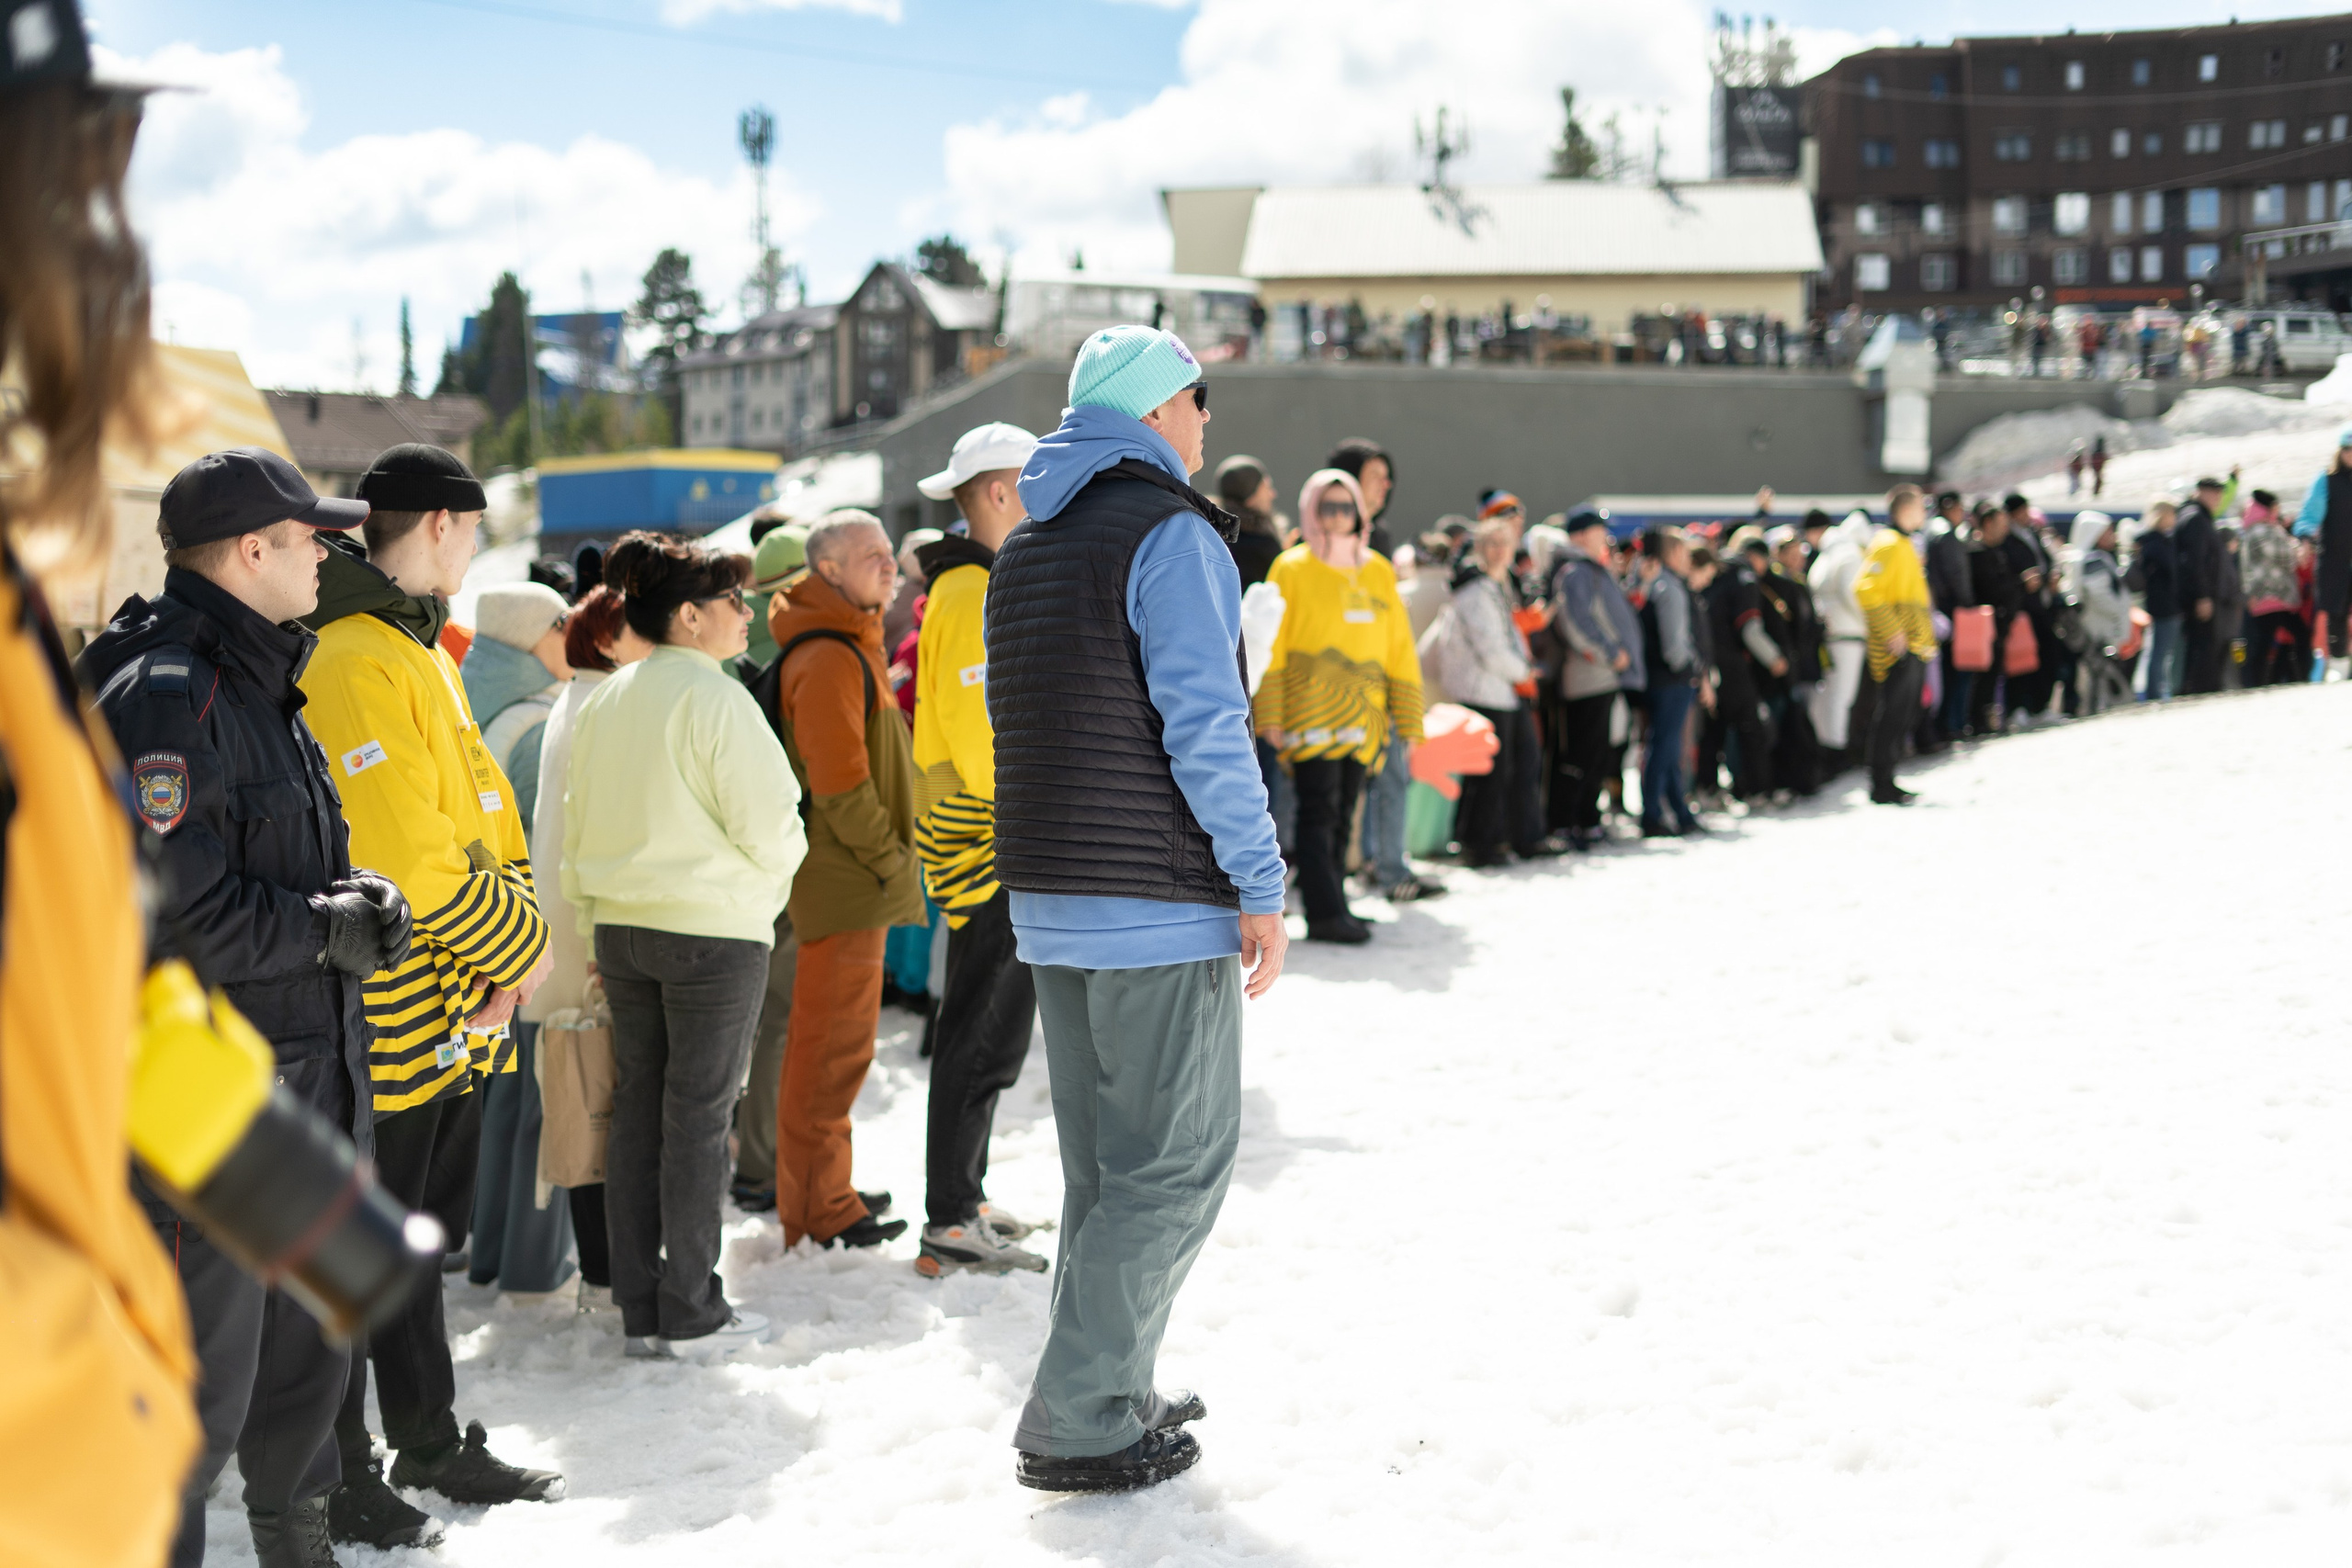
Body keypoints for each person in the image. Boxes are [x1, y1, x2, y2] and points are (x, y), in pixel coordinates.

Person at [80, 448, 407, 1568]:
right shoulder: (171, 694)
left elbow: (285, 858)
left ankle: (298, 1541)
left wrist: (360, 898)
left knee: (306, 1357)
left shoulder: (261, 678)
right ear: (250, 550)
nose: (328, 554)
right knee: (193, 1396)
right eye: (311, 536)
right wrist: (327, 929)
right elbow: (181, 911)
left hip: (298, 1082)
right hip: (205, 1102)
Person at [984, 323, 1287, 1492]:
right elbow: (1207, 728)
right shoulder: (1170, 532)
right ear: (1157, 407)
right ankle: (1081, 1415)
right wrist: (1258, 882)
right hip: (1153, 895)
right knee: (1172, 1168)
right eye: (1198, 398)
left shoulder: (1030, 541)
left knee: (1106, 1173)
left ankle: (1112, 1377)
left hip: (1056, 894)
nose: (1208, 421)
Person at [299, 444, 563, 1544]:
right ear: (444, 525)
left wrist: (504, 963)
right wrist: (517, 957)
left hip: (446, 994)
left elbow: (476, 818)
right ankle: (348, 1465)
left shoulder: (411, 645)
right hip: (403, 999)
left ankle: (428, 1438)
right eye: (473, 525)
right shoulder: (360, 654)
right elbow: (410, 858)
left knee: (410, 1242)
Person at [563, 533, 804, 1359]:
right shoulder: (718, 698)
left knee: (641, 1113)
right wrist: (760, 899)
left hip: (624, 927)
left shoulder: (607, 697)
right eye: (735, 601)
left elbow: (575, 822)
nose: (747, 614)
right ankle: (693, 1306)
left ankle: (642, 1305)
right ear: (691, 616)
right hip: (709, 928)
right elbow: (774, 827)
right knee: (698, 1118)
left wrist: (599, 912)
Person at [909, 423, 1051, 1276]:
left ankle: (963, 1194)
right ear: (999, 493)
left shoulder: (979, 584)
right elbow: (976, 738)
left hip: (993, 838)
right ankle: (951, 1213)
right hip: (986, 843)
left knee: (991, 1030)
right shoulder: (970, 595)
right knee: (979, 1026)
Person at [766, 511, 924, 1247]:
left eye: (891, 553)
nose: (889, 565)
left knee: (837, 1049)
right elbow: (841, 789)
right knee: (831, 1051)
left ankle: (824, 1190)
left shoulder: (848, 641)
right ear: (826, 569)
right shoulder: (829, 655)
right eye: (871, 555)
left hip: (852, 877)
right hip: (846, 879)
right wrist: (894, 860)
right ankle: (819, 1209)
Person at [523, 584, 653, 1310]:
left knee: (580, 1096)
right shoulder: (605, 706)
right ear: (608, 640)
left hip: (566, 939)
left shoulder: (575, 700)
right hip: (590, 940)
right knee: (599, 1102)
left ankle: (600, 1277)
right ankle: (605, 1279)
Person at [455, 582, 576, 1298]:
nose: (572, 633)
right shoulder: (533, 723)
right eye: (560, 622)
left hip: (473, 934)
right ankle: (530, 1265)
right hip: (524, 937)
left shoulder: (470, 700)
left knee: (500, 1103)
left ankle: (489, 1250)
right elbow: (540, 841)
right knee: (536, 1102)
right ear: (531, 638)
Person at [1258, 468, 1427, 940]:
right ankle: (1325, 910)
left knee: (1345, 812)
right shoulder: (1290, 567)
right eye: (1326, 507)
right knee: (1318, 812)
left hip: (1367, 718)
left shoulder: (1377, 568)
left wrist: (1408, 716)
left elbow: (1399, 646)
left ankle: (1335, 901)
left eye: (1345, 507)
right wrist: (1269, 712)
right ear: (1311, 511)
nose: (1336, 518)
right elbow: (1273, 643)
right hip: (1309, 715)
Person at [726, 524, 812, 1214]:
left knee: (756, 1021)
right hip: (780, 865)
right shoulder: (787, 653)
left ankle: (753, 1149)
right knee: (780, 1018)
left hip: (738, 871)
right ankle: (761, 1161)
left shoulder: (731, 654)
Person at [1328, 438, 1433, 901]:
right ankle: (1339, 877)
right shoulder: (1317, 542)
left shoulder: (1382, 538)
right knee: (1331, 793)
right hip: (1332, 688)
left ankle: (1387, 867)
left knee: (1390, 775)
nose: (1386, 486)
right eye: (1376, 476)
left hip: (1381, 681)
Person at [1442, 519, 1538, 865]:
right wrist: (1525, 671)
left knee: (1506, 768)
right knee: (1488, 773)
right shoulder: (1476, 589)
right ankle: (1481, 843)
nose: (1499, 550)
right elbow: (1491, 647)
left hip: (1500, 690)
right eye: (1491, 542)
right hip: (1484, 691)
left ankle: (1494, 838)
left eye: (1505, 542)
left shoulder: (1496, 585)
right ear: (1479, 548)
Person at [1552, 509, 1645, 843]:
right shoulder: (1576, 572)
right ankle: (1570, 820)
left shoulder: (1591, 570)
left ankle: (1587, 817)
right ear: (1578, 535)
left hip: (1602, 677)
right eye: (1596, 530)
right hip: (1588, 677)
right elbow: (1577, 623)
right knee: (1583, 752)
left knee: (1598, 752)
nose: (1603, 536)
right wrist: (1610, 652)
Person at [1853, 485, 1937, 806]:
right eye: (1920, 507)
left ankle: (1887, 780)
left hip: (1912, 644)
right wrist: (1892, 632)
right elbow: (1865, 588)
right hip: (1899, 647)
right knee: (1891, 715)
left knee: (1901, 715)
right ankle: (1881, 783)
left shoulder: (1900, 543)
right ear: (1905, 509)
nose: (1924, 512)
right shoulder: (1888, 543)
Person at [1702, 525, 1783, 802]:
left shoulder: (1719, 570)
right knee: (1751, 728)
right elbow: (1750, 628)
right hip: (1732, 662)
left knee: (1714, 730)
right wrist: (1774, 658)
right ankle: (1757, 790)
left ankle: (1708, 789)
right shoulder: (1744, 575)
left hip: (1709, 660)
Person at [1635, 528, 1706, 837]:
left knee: (1667, 747)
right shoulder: (1669, 588)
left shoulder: (1656, 585)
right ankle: (1652, 814)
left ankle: (1679, 813)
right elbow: (1675, 647)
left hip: (1660, 679)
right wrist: (1692, 668)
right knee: (1664, 748)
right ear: (1674, 552)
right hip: (1671, 681)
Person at [1756, 525, 1824, 795]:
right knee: (1787, 724)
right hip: (1785, 668)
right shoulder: (1779, 584)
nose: (1799, 558)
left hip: (1797, 665)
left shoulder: (1796, 582)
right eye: (1792, 552)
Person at [1808, 510, 1874, 761]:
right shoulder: (1850, 555)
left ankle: (1828, 746)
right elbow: (1854, 595)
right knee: (1843, 697)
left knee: (1830, 696)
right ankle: (1837, 751)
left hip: (1830, 634)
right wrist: (1870, 626)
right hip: (1848, 636)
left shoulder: (1826, 556)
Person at [2294, 429, 2352, 672]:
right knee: (2336, 612)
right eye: (2348, 450)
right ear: (2340, 452)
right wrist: (2305, 540)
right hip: (2335, 559)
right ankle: (2339, 666)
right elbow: (2310, 514)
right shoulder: (2326, 480)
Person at [1966, 506, 2026, 735]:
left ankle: (1987, 717)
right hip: (1984, 625)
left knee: (1994, 675)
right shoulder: (1976, 552)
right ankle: (1978, 720)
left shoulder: (1998, 551)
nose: (2005, 530)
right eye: (2001, 525)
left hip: (2001, 623)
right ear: (1988, 524)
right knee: (1982, 675)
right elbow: (1990, 589)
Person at [2065, 511, 2133, 713]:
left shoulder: (2087, 558)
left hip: (2096, 624)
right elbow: (2098, 593)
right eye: (2107, 532)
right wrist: (2119, 609)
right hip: (2097, 625)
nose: (2112, 536)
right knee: (2096, 672)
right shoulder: (2092, 559)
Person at [1924, 491, 1976, 742]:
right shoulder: (1946, 534)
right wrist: (1968, 604)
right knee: (1958, 671)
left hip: (1940, 610)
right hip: (1952, 611)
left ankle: (1945, 725)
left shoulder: (1930, 531)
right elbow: (1957, 576)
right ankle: (1953, 724)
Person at [2176, 474, 2234, 695]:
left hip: (2203, 595)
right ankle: (2199, 691)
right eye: (2214, 493)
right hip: (2200, 597)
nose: (2218, 498)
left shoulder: (2198, 517)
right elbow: (2195, 562)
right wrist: (2202, 596)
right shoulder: (2195, 519)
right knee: (2203, 647)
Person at [2242, 490, 2308, 687]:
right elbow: (2285, 558)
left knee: (2266, 642)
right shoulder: (2264, 530)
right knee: (2292, 637)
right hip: (2272, 595)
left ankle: (2258, 683)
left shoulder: (2256, 529)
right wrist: (2297, 550)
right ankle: (2259, 683)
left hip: (2267, 596)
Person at [2129, 502, 2185, 700]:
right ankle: (2156, 692)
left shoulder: (2155, 541)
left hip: (2162, 603)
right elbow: (2169, 573)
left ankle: (2158, 690)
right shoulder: (2155, 543)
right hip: (2163, 604)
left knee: (2161, 651)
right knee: (2160, 651)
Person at [1212, 453, 1286, 587]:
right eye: (1266, 487)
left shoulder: (1210, 534)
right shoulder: (1262, 545)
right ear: (1251, 498)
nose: (1272, 494)